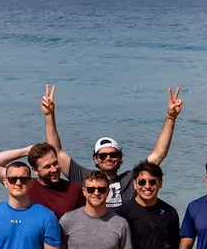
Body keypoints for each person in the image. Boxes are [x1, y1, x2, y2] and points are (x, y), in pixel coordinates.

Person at [42, 84, 185, 205]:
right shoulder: (85, 177)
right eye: (103, 155)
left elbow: (159, 154)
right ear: (96, 159)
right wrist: (49, 115)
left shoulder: (131, 179)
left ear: (120, 157)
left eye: (113, 154)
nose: (108, 158)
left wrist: (170, 117)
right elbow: (56, 152)